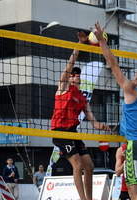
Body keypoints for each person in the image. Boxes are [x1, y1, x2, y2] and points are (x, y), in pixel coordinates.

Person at [94, 22, 137, 200]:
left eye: (135, 76)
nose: (133, 77)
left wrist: (102, 42)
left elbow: (113, 64)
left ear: (136, 82)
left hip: (135, 146)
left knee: (134, 192)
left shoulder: (132, 90)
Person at [50, 31, 111, 200]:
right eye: (73, 75)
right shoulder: (63, 87)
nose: (75, 76)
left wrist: (103, 127)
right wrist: (80, 44)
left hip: (72, 132)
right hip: (60, 131)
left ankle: (89, 199)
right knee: (77, 165)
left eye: (78, 75)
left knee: (89, 166)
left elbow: (93, 121)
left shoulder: (83, 98)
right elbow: (71, 63)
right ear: (69, 78)